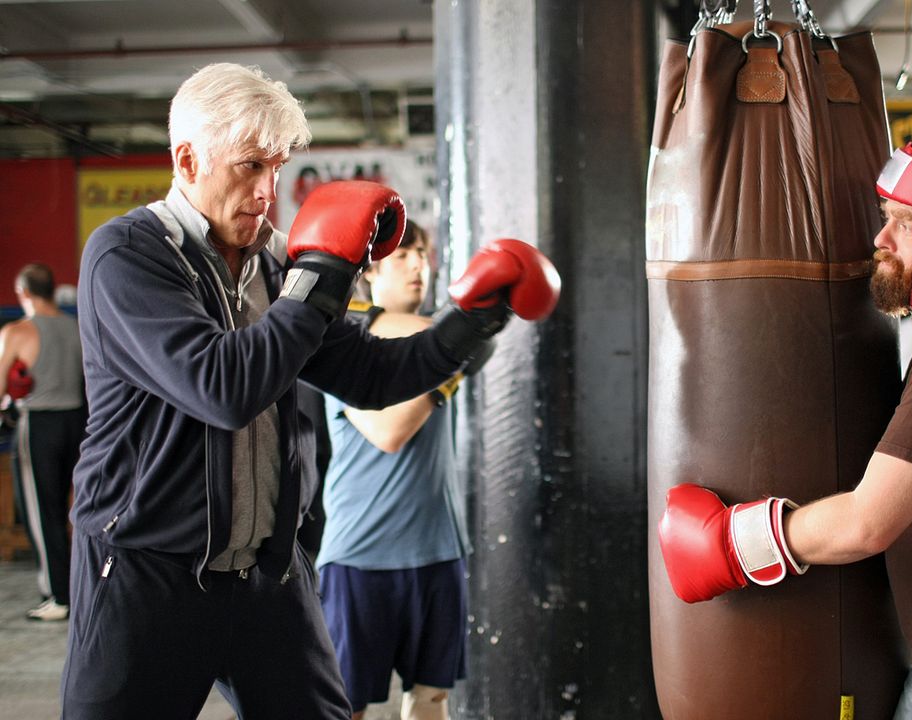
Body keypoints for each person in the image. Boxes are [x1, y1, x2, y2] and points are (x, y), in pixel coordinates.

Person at [63, 62, 560, 719]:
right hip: (144, 576)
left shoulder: (275, 263)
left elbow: (368, 374)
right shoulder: (127, 255)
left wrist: (468, 327)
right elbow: (224, 385)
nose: (268, 191)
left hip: (266, 575)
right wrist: (322, 274)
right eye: (248, 166)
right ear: (187, 159)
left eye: (276, 168)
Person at [658, 140, 912, 719]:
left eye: (907, 225)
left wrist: (733, 542)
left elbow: (867, 522)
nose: (881, 241)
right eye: (887, 220)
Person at [319, 220, 487, 720]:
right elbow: (390, 433)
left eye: (423, 255)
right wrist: (453, 361)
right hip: (361, 555)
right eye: (402, 257)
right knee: (346, 705)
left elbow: (436, 335)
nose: (419, 266)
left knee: (432, 699)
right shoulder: (345, 345)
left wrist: (454, 347)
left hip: (438, 548)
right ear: (370, 273)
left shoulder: (440, 341)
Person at [0, 263, 85, 622]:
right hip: (80, 423)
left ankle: (58, 596)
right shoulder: (77, 326)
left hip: (39, 425)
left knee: (41, 511)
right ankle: (80, 590)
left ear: (23, 292)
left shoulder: (17, 331)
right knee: (77, 510)